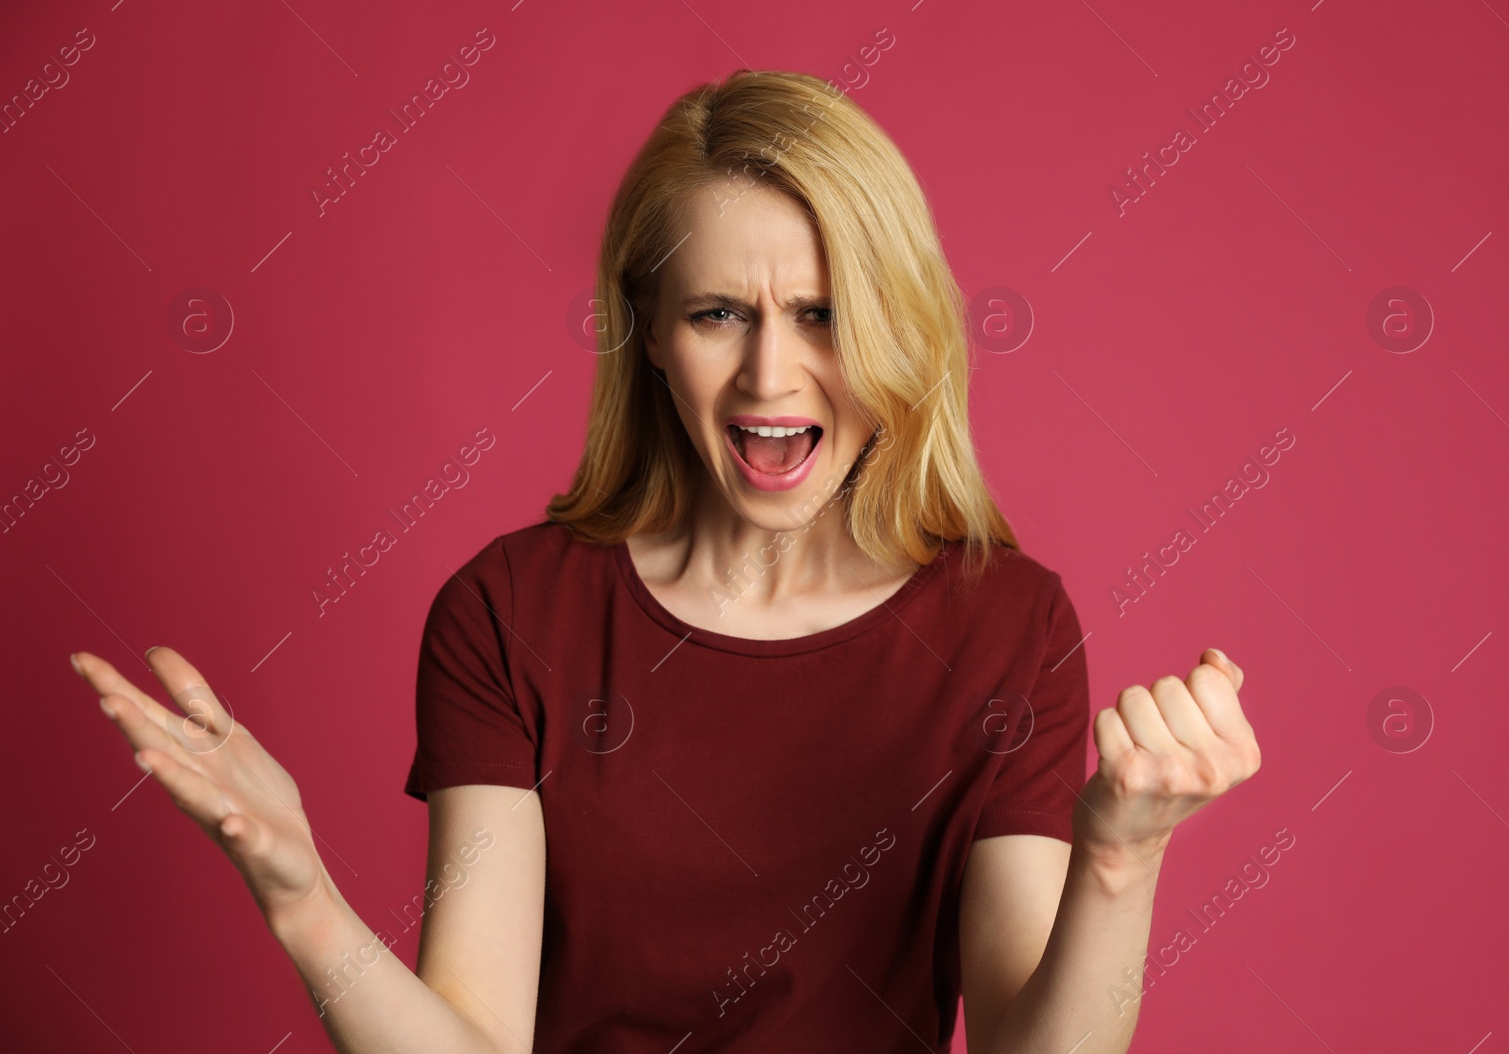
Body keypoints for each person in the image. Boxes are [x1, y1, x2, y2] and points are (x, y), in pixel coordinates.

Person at [72, 69, 1259, 1054]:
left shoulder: (1008, 622)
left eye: (824, 313)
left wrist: (1119, 857)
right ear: (644, 331)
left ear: (899, 326)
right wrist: (300, 895)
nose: (769, 379)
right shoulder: (510, 613)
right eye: (717, 316)